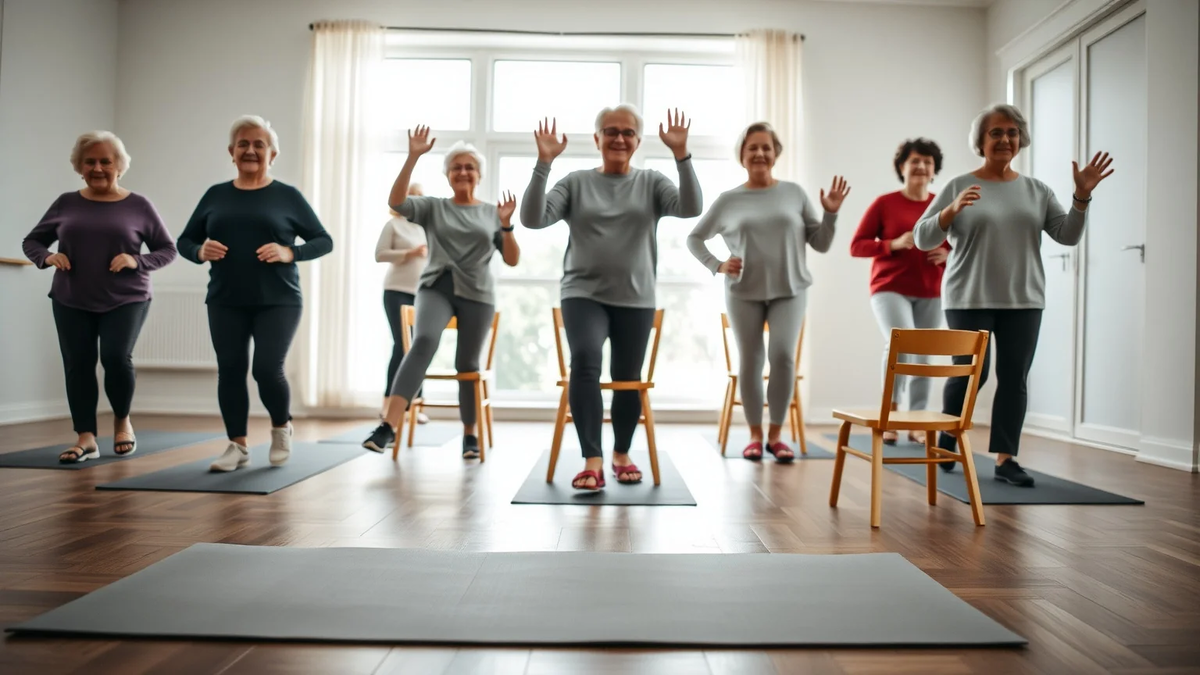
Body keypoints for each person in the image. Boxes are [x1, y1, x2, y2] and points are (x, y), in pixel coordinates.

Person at [914, 103, 1113, 487]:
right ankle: (948, 434)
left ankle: (1006, 459)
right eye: (995, 132)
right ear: (980, 141)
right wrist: (949, 212)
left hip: (1023, 299)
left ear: (1020, 140)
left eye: (1011, 132)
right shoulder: (958, 185)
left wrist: (1081, 197)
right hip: (968, 296)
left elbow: (1067, 235)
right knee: (973, 373)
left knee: (1014, 376)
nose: (1005, 139)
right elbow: (924, 238)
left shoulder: (1037, 191)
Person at [521, 106, 702, 490]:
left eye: (628, 132)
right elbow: (533, 219)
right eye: (610, 131)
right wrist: (543, 163)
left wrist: (681, 155)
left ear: (638, 140)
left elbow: (690, 208)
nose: (619, 138)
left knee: (627, 377)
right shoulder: (575, 182)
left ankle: (621, 452)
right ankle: (592, 457)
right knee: (585, 360)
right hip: (582, 293)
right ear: (597, 138)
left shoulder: (652, 182)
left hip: (635, 299)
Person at [177, 115, 333, 472]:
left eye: (258, 144)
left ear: (272, 154)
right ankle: (238, 445)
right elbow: (185, 241)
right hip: (225, 298)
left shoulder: (287, 196)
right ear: (231, 152)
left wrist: (290, 252)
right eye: (243, 144)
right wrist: (200, 251)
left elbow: (324, 241)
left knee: (266, 368)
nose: (250, 150)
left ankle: (281, 426)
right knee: (230, 369)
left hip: (278, 299)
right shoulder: (215, 195)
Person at [687, 121, 848, 462]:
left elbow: (820, 243)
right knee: (751, 360)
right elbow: (694, 238)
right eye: (752, 148)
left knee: (783, 357)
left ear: (776, 153)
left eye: (766, 147)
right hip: (743, 290)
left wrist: (830, 214)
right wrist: (717, 265)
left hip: (790, 289)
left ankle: (777, 435)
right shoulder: (729, 200)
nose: (759, 153)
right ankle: (754, 436)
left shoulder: (793, 193)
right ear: (742, 156)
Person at [362, 127, 520, 459]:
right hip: (437, 287)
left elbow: (511, 258)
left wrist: (506, 225)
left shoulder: (492, 212)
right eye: (456, 167)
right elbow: (396, 202)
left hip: (477, 292)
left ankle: (469, 434)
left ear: (479, 175)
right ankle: (387, 426)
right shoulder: (434, 207)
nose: (463, 172)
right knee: (422, 342)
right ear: (447, 175)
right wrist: (413, 156)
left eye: (469, 167)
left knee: (467, 363)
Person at [22, 131, 177, 463]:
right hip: (70, 297)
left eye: (105, 161)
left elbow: (167, 250)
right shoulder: (66, 203)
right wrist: (47, 257)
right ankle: (86, 437)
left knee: (116, 358)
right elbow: (32, 242)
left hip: (127, 297)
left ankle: (122, 422)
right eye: (90, 161)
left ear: (119, 165)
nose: (97, 167)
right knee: (78, 365)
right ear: (79, 166)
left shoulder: (139, 205)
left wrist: (138, 260)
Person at [850, 138, 949, 444]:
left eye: (927, 162)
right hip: (889, 287)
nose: (921, 166)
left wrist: (949, 255)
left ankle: (917, 421)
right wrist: (890, 244)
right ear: (901, 167)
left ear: (934, 171)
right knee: (900, 343)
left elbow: (961, 244)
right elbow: (857, 245)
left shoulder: (942, 205)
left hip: (931, 289)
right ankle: (889, 416)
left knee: (923, 354)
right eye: (914, 161)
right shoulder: (885, 203)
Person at [376, 184, 430, 426]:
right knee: (401, 346)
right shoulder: (393, 225)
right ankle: (387, 405)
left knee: (420, 347)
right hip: (396, 292)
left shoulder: (424, 227)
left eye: (418, 198)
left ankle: (416, 407)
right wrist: (408, 253)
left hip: (423, 294)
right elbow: (380, 254)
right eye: (410, 198)